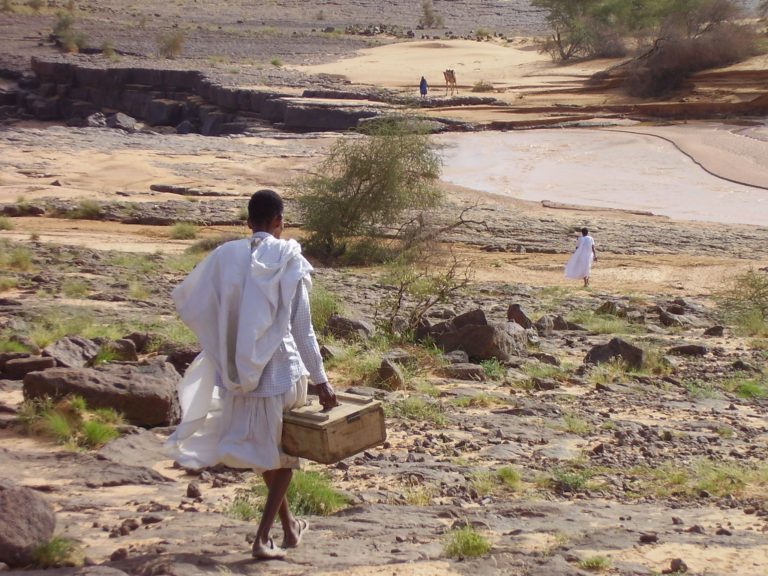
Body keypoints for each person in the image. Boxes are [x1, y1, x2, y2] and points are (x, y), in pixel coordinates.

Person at [165, 189, 338, 560]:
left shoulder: (226, 256)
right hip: (281, 373)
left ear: (248, 222)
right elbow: (302, 329)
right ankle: (262, 539)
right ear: (279, 221)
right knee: (287, 457)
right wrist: (321, 380)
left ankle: (290, 529)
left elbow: (198, 302)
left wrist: (224, 348)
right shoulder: (289, 257)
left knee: (266, 454)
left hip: (240, 373)